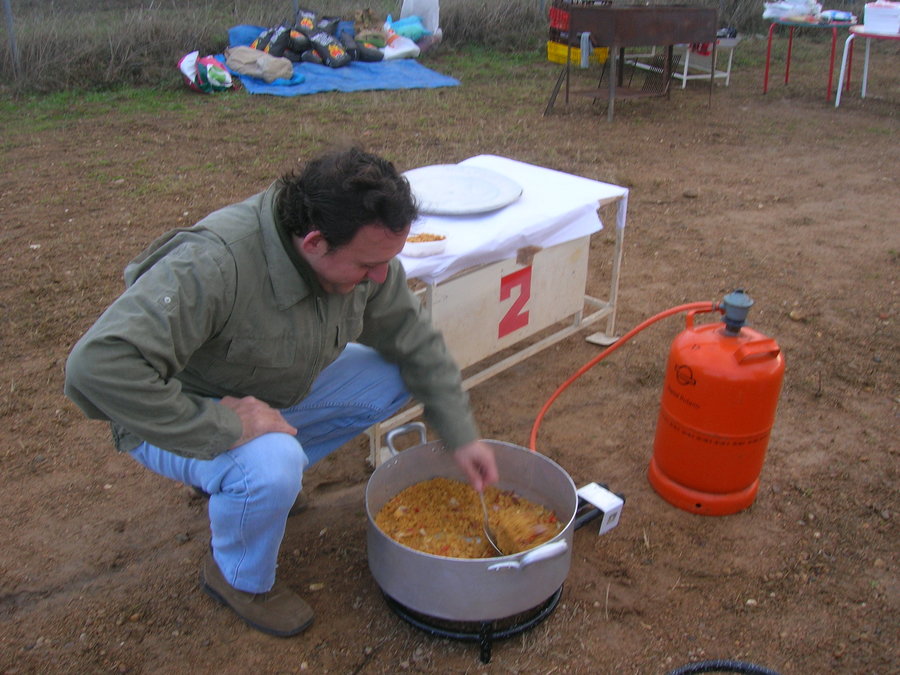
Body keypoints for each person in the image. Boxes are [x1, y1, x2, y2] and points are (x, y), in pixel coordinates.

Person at [64, 146, 499, 638]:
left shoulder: (363, 255)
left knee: (396, 374)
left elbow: (415, 342)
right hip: (166, 415)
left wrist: (461, 435)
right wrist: (221, 426)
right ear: (315, 242)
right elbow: (95, 369)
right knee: (271, 466)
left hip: (267, 390)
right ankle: (238, 575)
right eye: (368, 265)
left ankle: (251, 487)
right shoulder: (214, 263)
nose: (382, 277)